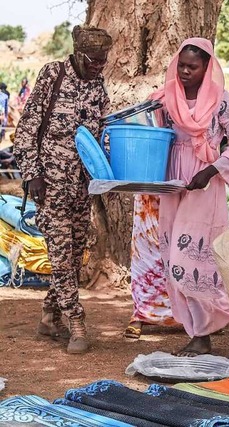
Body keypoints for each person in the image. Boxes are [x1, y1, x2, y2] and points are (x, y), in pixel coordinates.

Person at [13, 25, 113, 354]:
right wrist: (32, 174)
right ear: (78, 54)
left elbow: (104, 131)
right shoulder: (53, 75)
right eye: (94, 60)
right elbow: (27, 127)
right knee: (60, 255)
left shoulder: (97, 84)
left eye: (104, 60)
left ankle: (47, 315)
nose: (100, 66)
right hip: (51, 184)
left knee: (72, 253)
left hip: (83, 187)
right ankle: (76, 320)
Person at [152, 38, 229, 357]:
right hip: (173, 183)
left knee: (192, 256)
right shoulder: (165, 101)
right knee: (171, 255)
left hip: (205, 185)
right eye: (181, 66)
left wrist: (211, 170)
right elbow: (155, 138)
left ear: (207, 67)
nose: (185, 72)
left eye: (192, 67)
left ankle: (204, 331)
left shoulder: (220, 101)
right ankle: (194, 327)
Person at [125, 195, 179, 339]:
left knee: (180, 251)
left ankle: (197, 318)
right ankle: (141, 314)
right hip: (147, 190)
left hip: (180, 184)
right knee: (144, 254)